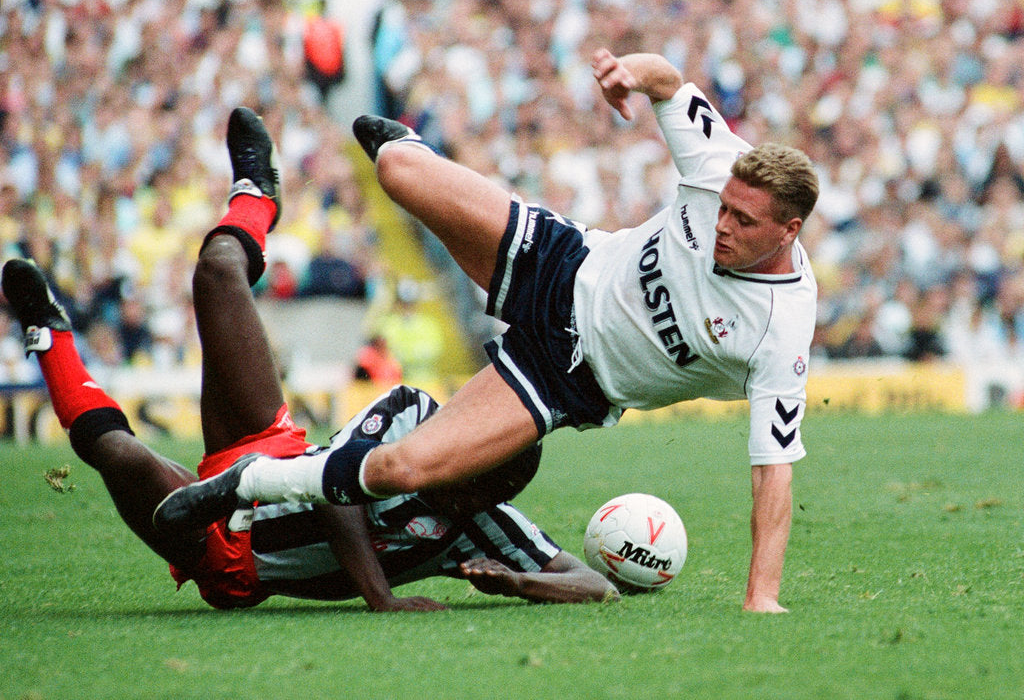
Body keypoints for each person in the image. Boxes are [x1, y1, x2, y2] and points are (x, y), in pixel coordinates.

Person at [157, 49, 820, 613]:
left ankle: (247, 484)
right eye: (722, 209)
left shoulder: (779, 330)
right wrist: (629, 73)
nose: (722, 225)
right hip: (563, 266)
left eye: (743, 222)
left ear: (788, 231)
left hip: (563, 378)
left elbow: (774, 473)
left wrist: (761, 595)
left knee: (400, 467)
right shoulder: (719, 162)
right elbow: (669, 81)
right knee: (395, 171)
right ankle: (403, 146)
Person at [0, 108, 615, 610]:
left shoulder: (483, 525)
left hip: (230, 556)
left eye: (489, 494)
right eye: (476, 480)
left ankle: (50, 337)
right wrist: (382, 599)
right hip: (276, 453)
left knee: (117, 452)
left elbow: (593, 585)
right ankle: (256, 196)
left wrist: (519, 581)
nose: (470, 500)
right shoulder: (412, 413)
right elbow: (336, 493)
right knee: (216, 273)